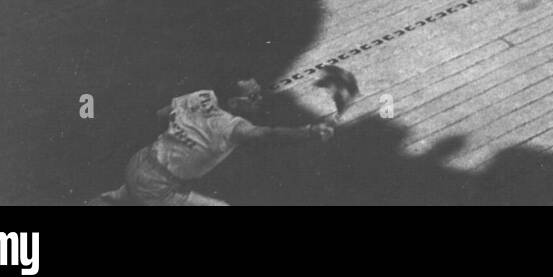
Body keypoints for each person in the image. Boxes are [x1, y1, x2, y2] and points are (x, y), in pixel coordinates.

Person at [93, 68, 357, 206]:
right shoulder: (232, 127)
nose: (260, 99)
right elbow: (268, 134)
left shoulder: (200, 95)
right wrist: (310, 131)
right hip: (159, 189)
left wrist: (182, 133)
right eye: (252, 97)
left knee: (122, 197)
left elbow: (161, 113)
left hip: (140, 163)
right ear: (234, 102)